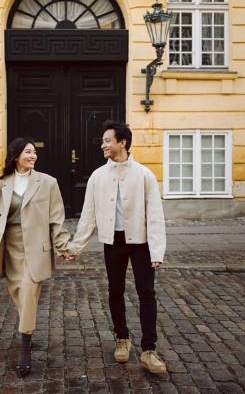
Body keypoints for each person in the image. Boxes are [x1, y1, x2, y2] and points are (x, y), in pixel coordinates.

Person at [63, 121, 167, 374]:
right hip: (113, 242)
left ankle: (149, 350)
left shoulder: (144, 174)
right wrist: (75, 248)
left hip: (140, 243)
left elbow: (155, 215)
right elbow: (88, 216)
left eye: (107, 140)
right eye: (103, 141)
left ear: (123, 142)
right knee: (115, 290)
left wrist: (157, 250)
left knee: (146, 293)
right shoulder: (98, 177)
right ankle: (122, 338)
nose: (103, 145)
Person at [0, 137, 72, 378]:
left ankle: (25, 347)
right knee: (19, 294)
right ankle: (27, 329)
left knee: (28, 291)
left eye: (34, 152)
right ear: (16, 156)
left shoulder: (48, 183)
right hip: (10, 247)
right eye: (27, 152)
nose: (33, 156)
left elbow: (56, 218)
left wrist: (62, 246)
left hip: (35, 248)